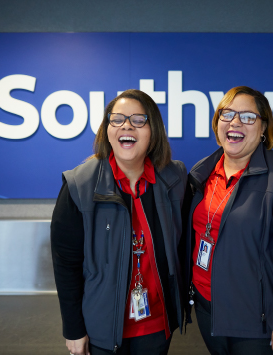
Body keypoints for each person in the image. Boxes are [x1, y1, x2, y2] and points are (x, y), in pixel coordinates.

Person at [51, 89, 188, 355]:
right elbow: (65, 265)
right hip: (101, 331)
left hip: (158, 327)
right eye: (117, 119)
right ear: (107, 130)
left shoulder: (175, 179)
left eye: (138, 119)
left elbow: (182, 247)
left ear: (153, 131)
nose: (127, 125)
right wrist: (73, 329)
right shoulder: (79, 185)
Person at [185, 86, 273, 355]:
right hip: (207, 308)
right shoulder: (201, 174)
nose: (235, 122)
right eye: (227, 114)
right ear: (217, 124)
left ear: (263, 129)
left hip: (256, 321)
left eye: (247, 117)